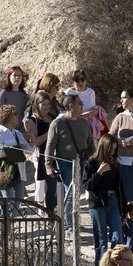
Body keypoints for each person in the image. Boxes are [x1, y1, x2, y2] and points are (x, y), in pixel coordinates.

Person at [44, 93, 93, 227]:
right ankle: (70, 224)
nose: (82, 105)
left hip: (81, 162)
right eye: (80, 103)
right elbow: (50, 146)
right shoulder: (57, 124)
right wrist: (48, 165)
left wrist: (93, 158)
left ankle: (70, 221)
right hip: (65, 163)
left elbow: (90, 144)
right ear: (71, 106)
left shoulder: (84, 122)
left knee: (76, 193)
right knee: (72, 192)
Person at [83, 136, 122, 266]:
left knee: (118, 237)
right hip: (98, 204)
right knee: (101, 240)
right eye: (111, 149)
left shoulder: (115, 163)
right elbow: (88, 186)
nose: (112, 152)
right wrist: (99, 172)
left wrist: (124, 211)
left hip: (113, 201)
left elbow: (120, 187)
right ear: (104, 147)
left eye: (115, 149)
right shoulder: (91, 163)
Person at [22, 91, 60, 214]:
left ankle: (55, 211)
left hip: (59, 155)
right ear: (37, 104)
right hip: (45, 156)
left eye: (48, 103)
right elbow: (35, 142)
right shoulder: (33, 120)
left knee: (61, 187)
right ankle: (50, 213)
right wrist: (50, 132)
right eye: (43, 104)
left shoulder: (54, 117)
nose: (47, 106)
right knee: (51, 187)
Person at [0, 103, 29, 199]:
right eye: (14, 114)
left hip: (18, 171)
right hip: (5, 172)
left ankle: (11, 214)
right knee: (9, 198)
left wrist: (32, 140)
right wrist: (16, 149)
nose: (17, 116)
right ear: (7, 117)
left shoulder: (17, 134)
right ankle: (6, 214)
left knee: (20, 198)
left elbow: (28, 149)